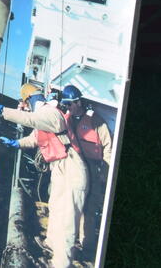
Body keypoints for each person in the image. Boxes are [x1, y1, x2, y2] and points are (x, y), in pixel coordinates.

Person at [0, 85, 88, 268]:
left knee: (68, 218)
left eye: (23, 103)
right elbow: (34, 138)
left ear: (28, 100)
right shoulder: (44, 116)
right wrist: (16, 143)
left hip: (72, 168)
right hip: (60, 168)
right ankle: (51, 244)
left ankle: (61, 263)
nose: (22, 107)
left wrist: (1, 110)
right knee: (55, 208)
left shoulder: (49, 112)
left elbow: (30, 120)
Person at [58, 86, 112, 257]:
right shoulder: (66, 119)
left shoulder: (96, 121)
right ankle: (67, 242)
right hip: (74, 166)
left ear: (78, 102)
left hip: (93, 168)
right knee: (70, 204)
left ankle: (87, 247)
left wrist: (104, 173)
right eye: (65, 105)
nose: (68, 108)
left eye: (70, 104)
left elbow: (108, 147)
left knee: (90, 208)